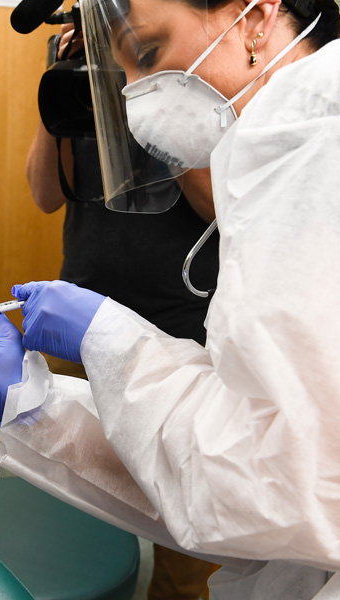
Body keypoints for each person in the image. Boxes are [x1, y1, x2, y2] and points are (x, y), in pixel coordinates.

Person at [0, 0, 340, 598]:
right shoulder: (281, 161)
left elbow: (309, 495)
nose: (132, 102)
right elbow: (223, 478)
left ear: (257, 16)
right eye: (119, 71)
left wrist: (108, 339)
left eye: (149, 53)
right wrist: (38, 408)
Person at [28, 21, 219, 599]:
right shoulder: (84, 86)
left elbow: (218, 203)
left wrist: (152, 101)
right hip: (82, 323)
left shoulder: (187, 90)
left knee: (187, 536)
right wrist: (58, 87)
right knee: (77, 500)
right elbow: (44, 192)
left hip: (177, 333)